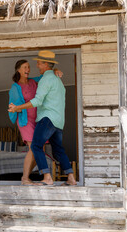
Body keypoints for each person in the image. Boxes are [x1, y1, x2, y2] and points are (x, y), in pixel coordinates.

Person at [8, 50, 77, 186]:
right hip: (57, 121)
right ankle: (71, 178)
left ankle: (47, 177)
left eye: (39, 63)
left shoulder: (44, 79)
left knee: (36, 146)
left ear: (45, 64)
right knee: (58, 149)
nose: (36, 66)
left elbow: (38, 101)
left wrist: (17, 107)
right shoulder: (57, 80)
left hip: (46, 119)